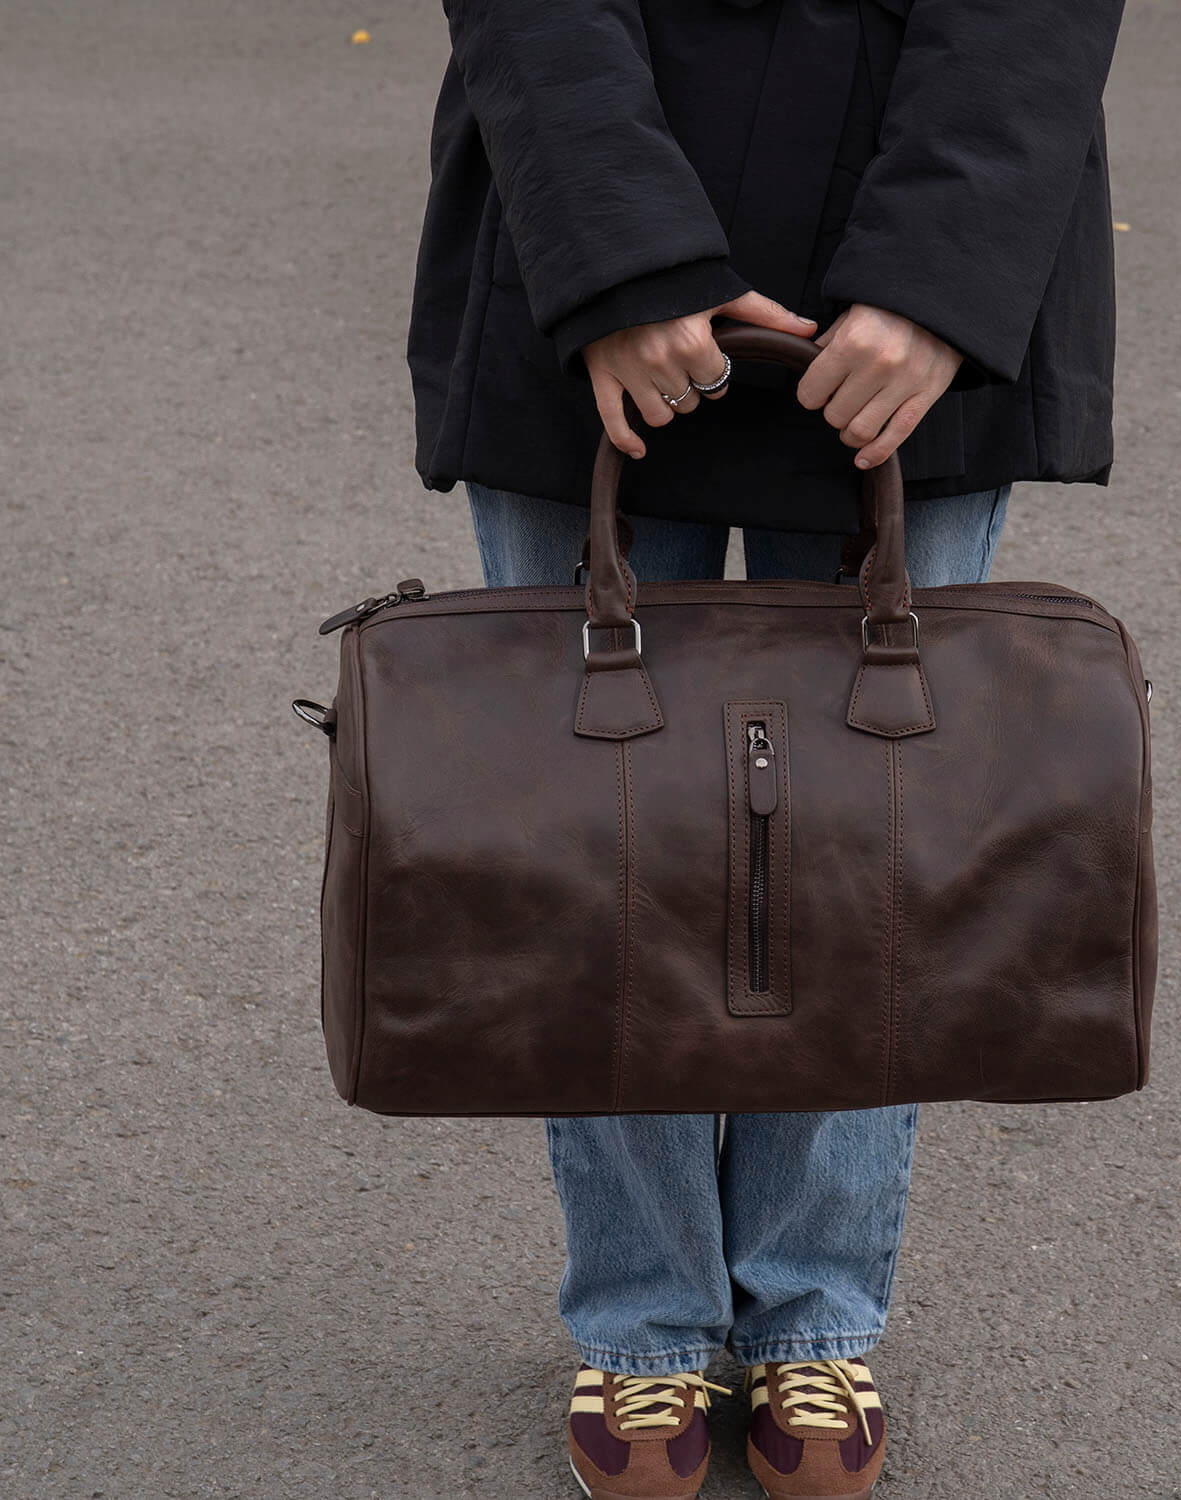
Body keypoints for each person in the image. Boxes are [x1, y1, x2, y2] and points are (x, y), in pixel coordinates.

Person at [408, 3, 1125, 1496]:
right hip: (581, 209)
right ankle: (646, 1320)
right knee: (601, 830)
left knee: (873, 833)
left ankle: (816, 1308)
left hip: (919, 234)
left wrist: (939, 277)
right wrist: (622, 254)